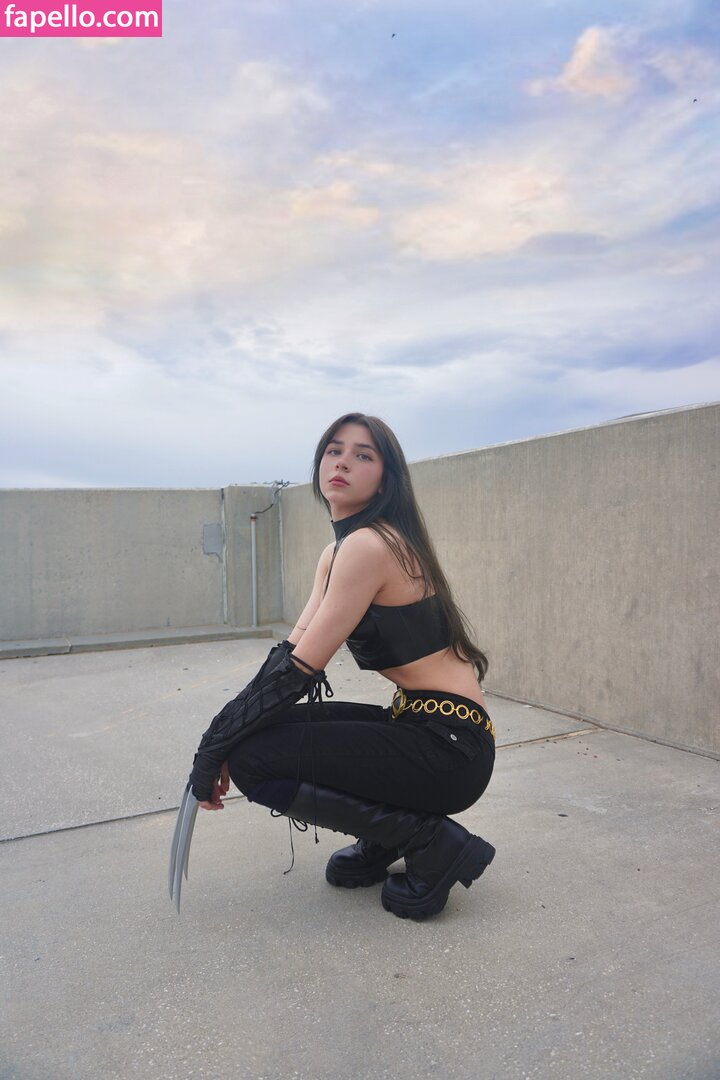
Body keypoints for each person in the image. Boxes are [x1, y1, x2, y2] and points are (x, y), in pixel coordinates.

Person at [183, 412, 496, 920]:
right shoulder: (339, 550)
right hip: (420, 726)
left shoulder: (372, 546)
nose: (343, 462)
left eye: (363, 455)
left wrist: (216, 746)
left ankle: (427, 839)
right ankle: (387, 831)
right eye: (334, 450)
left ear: (385, 480)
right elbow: (287, 655)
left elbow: (300, 671)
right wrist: (220, 734)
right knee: (257, 735)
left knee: (253, 760)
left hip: (449, 751)